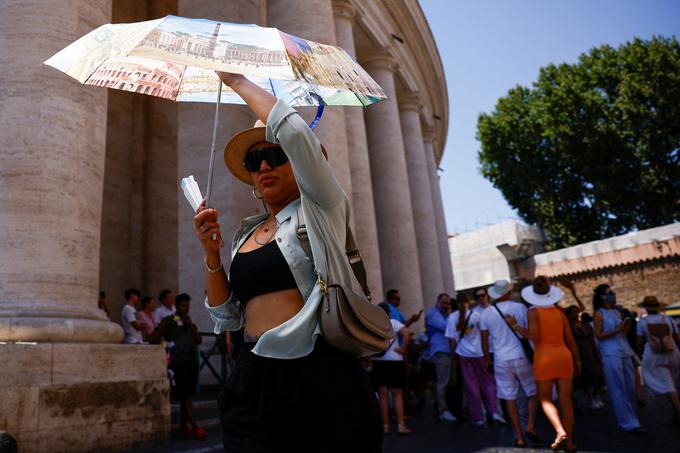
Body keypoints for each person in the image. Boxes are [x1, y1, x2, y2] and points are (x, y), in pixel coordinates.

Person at [197, 71, 382, 452]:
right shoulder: (244, 234)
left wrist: (235, 80)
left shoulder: (322, 209)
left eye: (275, 154)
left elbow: (297, 134)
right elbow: (227, 316)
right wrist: (211, 255)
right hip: (251, 376)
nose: (264, 166)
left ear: (297, 161)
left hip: (320, 372)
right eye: (255, 159)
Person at [511, 276, 580, 452]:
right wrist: (577, 359)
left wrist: (515, 326)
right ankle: (570, 441)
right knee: (566, 400)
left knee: (545, 399)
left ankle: (560, 431)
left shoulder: (533, 312)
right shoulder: (559, 312)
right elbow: (570, 339)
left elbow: (533, 336)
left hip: (544, 357)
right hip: (563, 355)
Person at [480, 280, 539, 448]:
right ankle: (530, 425)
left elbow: (484, 340)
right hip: (521, 356)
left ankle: (519, 436)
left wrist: (487, 359)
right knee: (533, 393)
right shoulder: (520, 308)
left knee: (509, 397)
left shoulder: (486, 313)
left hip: (501, 360)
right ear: (508, 292)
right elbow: (528, 332)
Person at [446, 293, 505, 427]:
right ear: (468, 302)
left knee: (471, 386)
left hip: (463, 355)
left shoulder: (451, 318)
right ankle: (494, 412)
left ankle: (478, 417)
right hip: (479, 354)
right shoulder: (476, 315)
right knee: (488, 383)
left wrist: (453, 357)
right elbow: (485, 335)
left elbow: (451, 340)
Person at [593, 284, 644, 432]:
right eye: (610, 293)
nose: (613, 295)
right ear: (602, 296)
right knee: (618, 387)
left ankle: (633, 418)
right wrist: (617, 330)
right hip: (610, 353)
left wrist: (625, 326)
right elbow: (598, 335)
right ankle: (627, 423)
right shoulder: (599, 313)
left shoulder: (616, 312)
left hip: (624, 350)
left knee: (630, 387)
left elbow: (622, 334)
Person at [157, 293, 205, 439]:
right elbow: (157, 334)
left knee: (188, 394)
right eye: (184, 305)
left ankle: (183, 427)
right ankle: (195, 426)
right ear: (177, 306)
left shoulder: (190, 323)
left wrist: (190, 324)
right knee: (185, 395)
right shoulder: (169, 321)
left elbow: (198, 340)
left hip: (192, 364)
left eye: (188, 305)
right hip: (178, 364)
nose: (187, 308)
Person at [635, 296, 680, 425]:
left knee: (668, 385)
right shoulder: (668, 319)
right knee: (676, 385)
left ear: (646, 309)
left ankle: (678, 410)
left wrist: (639, 355)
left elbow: (639, 342)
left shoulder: (642, 322)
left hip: (654, 356)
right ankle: (676, 415)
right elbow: (677, 337)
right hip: (673, 354)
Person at [372, 303, 412, 435]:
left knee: (382, 395)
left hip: (378, 362)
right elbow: (406, 333)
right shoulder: (393, 322)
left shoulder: (372, 323)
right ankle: (401, 425)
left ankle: (385, 426)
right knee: (397, 394)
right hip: (395, 361)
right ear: (388, 313)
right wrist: (403, 348)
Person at [424, 293, 457, 422]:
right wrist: (450, 315)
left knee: (446, 381)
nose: (447, 306)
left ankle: (445, 408)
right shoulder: (433, 313)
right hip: (441, 352)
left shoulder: (441, 313)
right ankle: (443, 410)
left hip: (447, 351)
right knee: (442, 382)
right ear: (438, 302)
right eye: (444, 303)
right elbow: (448, 327)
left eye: (448, 303)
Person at [565, 305, 605, 409]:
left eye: (576, 311)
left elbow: (592, 338)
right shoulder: (568, 326)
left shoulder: (585, 325)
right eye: (573, 312)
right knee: (586, 376)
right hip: (579, 352)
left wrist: (596, 351)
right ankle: (591, 397)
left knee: (597, 373)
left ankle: (596, 395)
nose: (575, 314)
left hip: (589, 350)